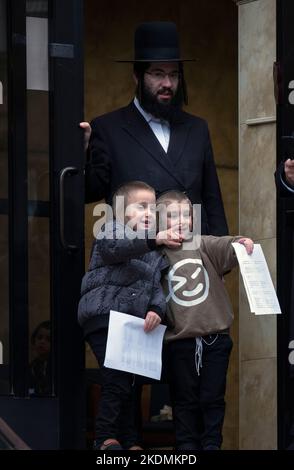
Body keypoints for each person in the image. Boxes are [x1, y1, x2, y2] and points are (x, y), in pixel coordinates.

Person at [80, 21, 228, 237]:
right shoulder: (108, 128)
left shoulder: (197, 128)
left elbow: (212, 200)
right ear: (137, 77)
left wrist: (221, 255)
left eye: (174, 74)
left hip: (191, 257)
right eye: (158, 74)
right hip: (136, 261)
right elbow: (89, 192)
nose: (168, 83)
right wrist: (81, 154)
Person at [77, 181, 181, 451]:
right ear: (121, 212)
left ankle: (131, 440)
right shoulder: (111, 230)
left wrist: (156, 310)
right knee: (115, 378)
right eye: (140, 207)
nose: (148, 213)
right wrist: (153, 239)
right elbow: (117, 249)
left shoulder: (154, 253)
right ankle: (105, 437)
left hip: (132, 325)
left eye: (152, 208)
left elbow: (155, 287)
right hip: (104, 316)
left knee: (131, 382)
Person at [156, 190, 254, 450]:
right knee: (184, 401)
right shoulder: (155, 254)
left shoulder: (201, 243)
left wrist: (240, 242)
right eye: (172, 215)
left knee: (212, 399)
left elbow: (224, 245)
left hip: (215, 340)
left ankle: (212, 446)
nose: (181, 220)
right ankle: (186, 449)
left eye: (187, 215)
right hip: (179, 343)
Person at [28, 321, 51, 396]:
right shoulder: (31, 367)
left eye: (48, 339)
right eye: (39, 338)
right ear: (34, 341)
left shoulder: (57, 367)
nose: (42, 342)